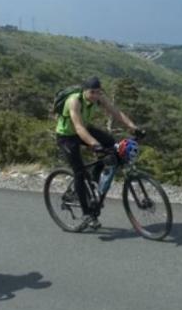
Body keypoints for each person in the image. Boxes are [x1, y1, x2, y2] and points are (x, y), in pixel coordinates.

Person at [55, 77, 141, 229]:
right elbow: (78, 128)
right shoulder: (73, 101)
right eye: (92, 92)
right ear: (84, 91)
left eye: (98, 92)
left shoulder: (99, 98)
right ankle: (87, 214)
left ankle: (94, 181)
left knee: (112, 145)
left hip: (85, 130)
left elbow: (116, 113)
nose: (95, 95)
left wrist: (133, 127)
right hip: (67, 137)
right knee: (79, 173)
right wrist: (95, 145)